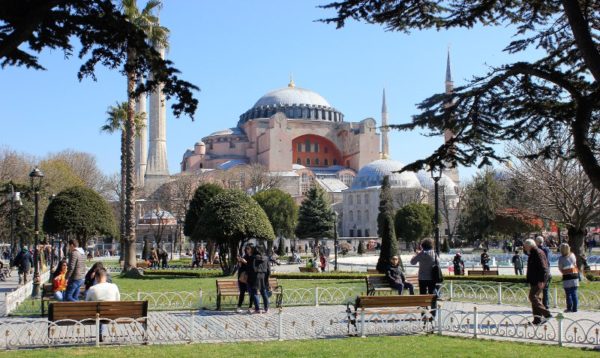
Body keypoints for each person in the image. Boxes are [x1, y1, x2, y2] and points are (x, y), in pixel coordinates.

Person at [523, 239, 552, 325]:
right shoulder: (533, 252)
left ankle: (547, 314)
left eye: (525, 246)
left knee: (533, 296)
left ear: (529, 245)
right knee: (535, 298)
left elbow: (543, 268)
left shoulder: (537, 253)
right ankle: (537, 320)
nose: (524, 248)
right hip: (534, 279)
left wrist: (541, 280)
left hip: (538, 280)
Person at [558, 243, 579, 313]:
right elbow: (575, 264)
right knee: (574, 292)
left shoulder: (561, 258)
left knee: (568, 293)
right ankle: (575, 308)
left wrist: (563, 271)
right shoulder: (572, 255)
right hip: (575, 274)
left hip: (567, 276)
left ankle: (569, 308)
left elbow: (560, 268)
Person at [248, 246, 270, 314]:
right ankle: (266, 308)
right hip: (263, 276)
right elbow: (269, 269)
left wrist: (249, 277)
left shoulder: (252, 257)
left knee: (254, 292)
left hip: (255, 276)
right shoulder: (266, 258)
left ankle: (257, 309)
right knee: (263, 292)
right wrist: (267, 277)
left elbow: (249, 268)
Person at [535, 236, 552, 309]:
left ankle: (538, 304)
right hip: (547, 269)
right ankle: (546, 304)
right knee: (546, 289)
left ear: (537, 242)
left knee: (537, 289)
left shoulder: (537, 250)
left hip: (539, 271)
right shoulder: (546, 249)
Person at [235, 245, 253, 313]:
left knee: (251, 293)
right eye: (246, 249)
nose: (247, 250)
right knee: (242, 292)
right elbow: (240, 267)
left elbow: (252, 266)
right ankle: (239, 307)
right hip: (242, 278)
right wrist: (240, 261)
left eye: (248, 249)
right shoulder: (245, 256)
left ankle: (250, 307)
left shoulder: (252, 257)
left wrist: (245, 262)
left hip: (249, 278)